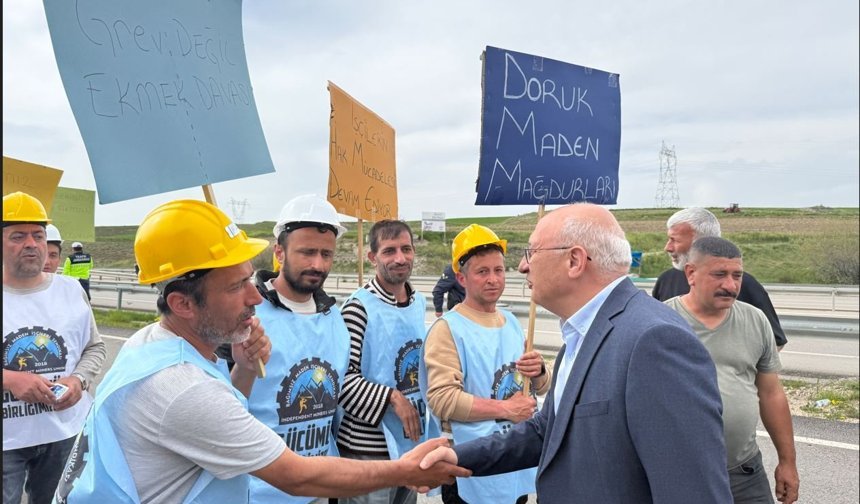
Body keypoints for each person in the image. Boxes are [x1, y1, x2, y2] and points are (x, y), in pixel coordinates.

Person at [53, 200, 469, 503]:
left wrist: (247, 368)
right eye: (237, 287)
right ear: (183, 303)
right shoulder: (181, 387)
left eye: (250, 280)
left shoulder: (156, 344)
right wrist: (404, 469)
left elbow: (229, 404)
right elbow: (295, 475)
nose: (255, 297)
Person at [419, 203, 732, 503]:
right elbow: (547, 431)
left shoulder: (653, 341)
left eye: (532, 252)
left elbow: (692, 491)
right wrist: (457, 456)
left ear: (574, 261)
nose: (523, 266)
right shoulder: (582, 332)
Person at [217, 194, 352, 503]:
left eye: (326, 254)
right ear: (279, 252)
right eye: (307, 252)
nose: (318, 264)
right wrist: (244, 367)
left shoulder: (334, 318)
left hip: (318, 484)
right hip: (258, 491)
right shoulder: (243, 315)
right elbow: (217, 409)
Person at [421, 224, 551, 504]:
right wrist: (506, 409)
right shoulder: (448, 329)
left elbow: (540, 386)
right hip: (470, 467)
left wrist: (539, 371)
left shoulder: (513, 322)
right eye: (482, 272)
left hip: (513, 462)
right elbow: (442, 399)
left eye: (498, 270)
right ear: (461, 278)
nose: (493, 279)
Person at [664, 237, 799, 503]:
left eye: (737, 275)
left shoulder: (755, 320)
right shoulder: (661, 320)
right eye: (719, 275)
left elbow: (771, 394)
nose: (730, 285)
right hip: (679, 474)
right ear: (691, 273)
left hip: (744, 472)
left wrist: (788, 462)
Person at [2, 192, 106, 504]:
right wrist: (9, 379)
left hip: (64, 435)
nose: (31, 244)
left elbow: (95, 348)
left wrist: (78, 380)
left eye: (38, 235)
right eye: (18, 236)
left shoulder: (71, 290)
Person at [337, 219, 437, 504]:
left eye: (406, 249)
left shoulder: (418, 302)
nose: (400, 258)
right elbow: (342, 379)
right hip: (368, 449)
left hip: (410, 442)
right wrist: (393, 398)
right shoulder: (358, 308)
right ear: (372, 257)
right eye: (389, 251)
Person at [651, 207, 787, 349]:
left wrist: (739, 360)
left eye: (674, 240)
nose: (668, 247)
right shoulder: (666, 280)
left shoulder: (745, 285)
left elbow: (774, 341)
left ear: (702, 242)